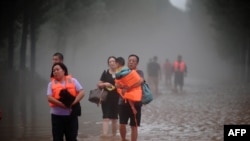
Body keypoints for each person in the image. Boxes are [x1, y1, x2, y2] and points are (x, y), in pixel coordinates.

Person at [47, 62, 84, 141]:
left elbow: (82, 92)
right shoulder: (51, 84)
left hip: (71, 116)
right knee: (57, 138)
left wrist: (74, 103)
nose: (55, 72)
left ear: (63, 70)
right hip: (57, 117)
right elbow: (49, 98)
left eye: (57, 69)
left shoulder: (73, 80)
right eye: (53, 70)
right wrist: (62, 105)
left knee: (72, 138)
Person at [115, 55, 144, 141]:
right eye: (130, 60)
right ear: (127, 62)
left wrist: (128, 87)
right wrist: (119, 85)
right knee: (122, 123)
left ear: (137, 63)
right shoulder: (121, 72)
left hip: (136, 102)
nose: (131, 62)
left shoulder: (140, 72)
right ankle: (123, 139)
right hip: (123, 102)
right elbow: (116, 84)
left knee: (134, 126)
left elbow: (140, 81)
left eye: (133, 61)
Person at [97, 56, 120, 138]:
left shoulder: (120, 73)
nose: (112, 63)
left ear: (116, 63)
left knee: (114, 118)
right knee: (105, 117)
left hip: (117, 98)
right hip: (106, 97)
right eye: (110, 61)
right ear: (108, 64)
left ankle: (114, 136)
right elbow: (98, 84)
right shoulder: (105, 73)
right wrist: (105, 84)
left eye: (113, 61)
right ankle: (105, 135)